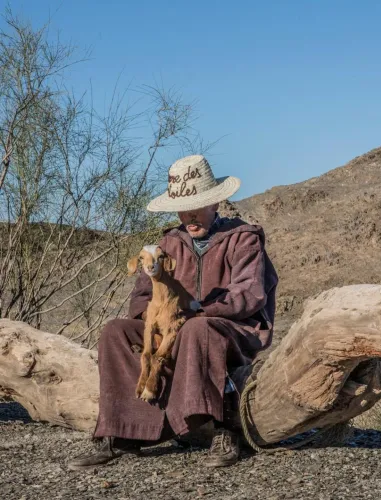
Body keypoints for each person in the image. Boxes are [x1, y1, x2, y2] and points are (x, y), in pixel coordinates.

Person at [68, 155, 278, 469]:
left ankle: (225, 430)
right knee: (116, 331)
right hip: (177, 328)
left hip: (230, 328)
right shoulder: (169, 243)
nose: (190, 217)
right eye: (184, 210)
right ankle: (122, 433)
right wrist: (156, 320)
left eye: (197, 208)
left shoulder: (242, 239)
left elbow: (250, 293)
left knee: (197, 329)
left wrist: (200, 310)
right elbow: (141, 297)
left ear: (215, 204)